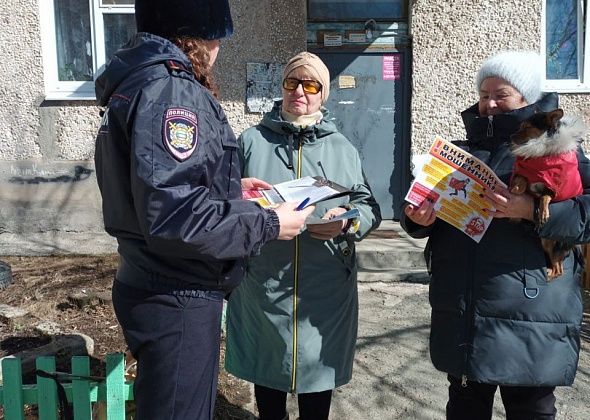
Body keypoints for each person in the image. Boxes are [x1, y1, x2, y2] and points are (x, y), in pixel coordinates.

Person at [93, 1, 314, 419]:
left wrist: (232, 187)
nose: (219, 47)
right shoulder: (171, 90)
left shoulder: (141, 81)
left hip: (157, 281)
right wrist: (268, 221)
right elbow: (175, 215)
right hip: (177, 293)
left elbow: (156, 185)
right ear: (195, 33)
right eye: (216, 36)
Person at [401, 50, 590, 419]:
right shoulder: (459, 152)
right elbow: (422, 211)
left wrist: (532, 211)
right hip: (463, 312)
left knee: (530, 410)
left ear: (527, 98)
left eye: (500, 94)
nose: (488, 104)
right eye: (484, 94)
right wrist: (419, 218)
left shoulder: (559, 152)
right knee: (465, 408)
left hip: (531, 314)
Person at [225, 52, 382, 420]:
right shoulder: (250, 141)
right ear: (282, 88)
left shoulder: (342, 146)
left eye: (310, 85)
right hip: (263, 282)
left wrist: (347, 222)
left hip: (324, 288)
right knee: (268, 379)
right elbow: (223, 199)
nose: (300, 91)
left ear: (322, 94)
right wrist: (246, 201)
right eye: (292, 82)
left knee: (317, 386)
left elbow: (368, 205)